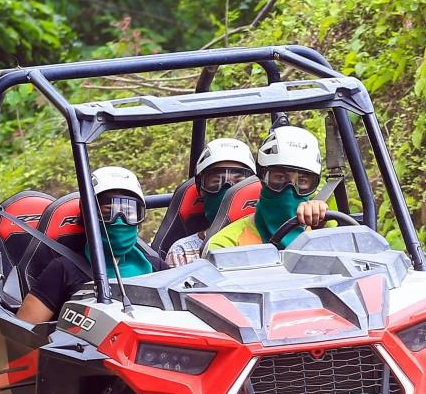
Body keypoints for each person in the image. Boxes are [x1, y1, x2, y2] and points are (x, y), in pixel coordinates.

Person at [16, 165, 157, 324]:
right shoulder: (63, 271)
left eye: (129, 213)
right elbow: (22, 333)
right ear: (88, 218)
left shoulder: (155, 266)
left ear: (140, 220)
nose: (119, 219)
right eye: (107, 212)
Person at [203, 125, 329, 251]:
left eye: (302, 181)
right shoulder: (226, 243)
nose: (289, 188)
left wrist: (322, 222)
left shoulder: (325, 229)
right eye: (280, 177)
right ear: (261, 178)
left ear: (313, 185)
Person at [165, 136, 257, 267]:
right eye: (216, 181)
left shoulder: (265, 237)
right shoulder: (183, 252)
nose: (229, 189)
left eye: (238, 182)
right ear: (201, 189)